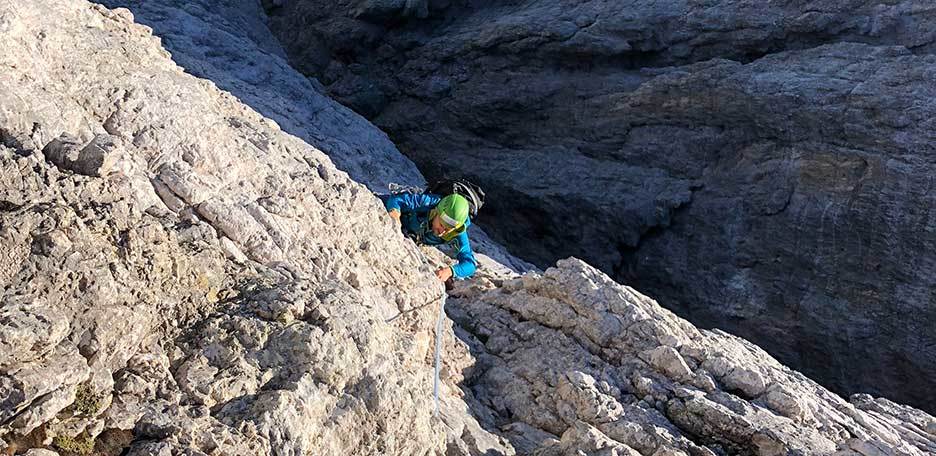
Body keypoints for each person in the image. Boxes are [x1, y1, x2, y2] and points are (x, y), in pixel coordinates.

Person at [383, 191, 478, 282]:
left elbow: (470, 264)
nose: (442, 232)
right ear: (436, 212)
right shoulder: (427, 202)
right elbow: (396, 199)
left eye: (448, 230)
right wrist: (394, 215)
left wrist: (450, 271)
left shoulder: (457, 232)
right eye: (441, 225)